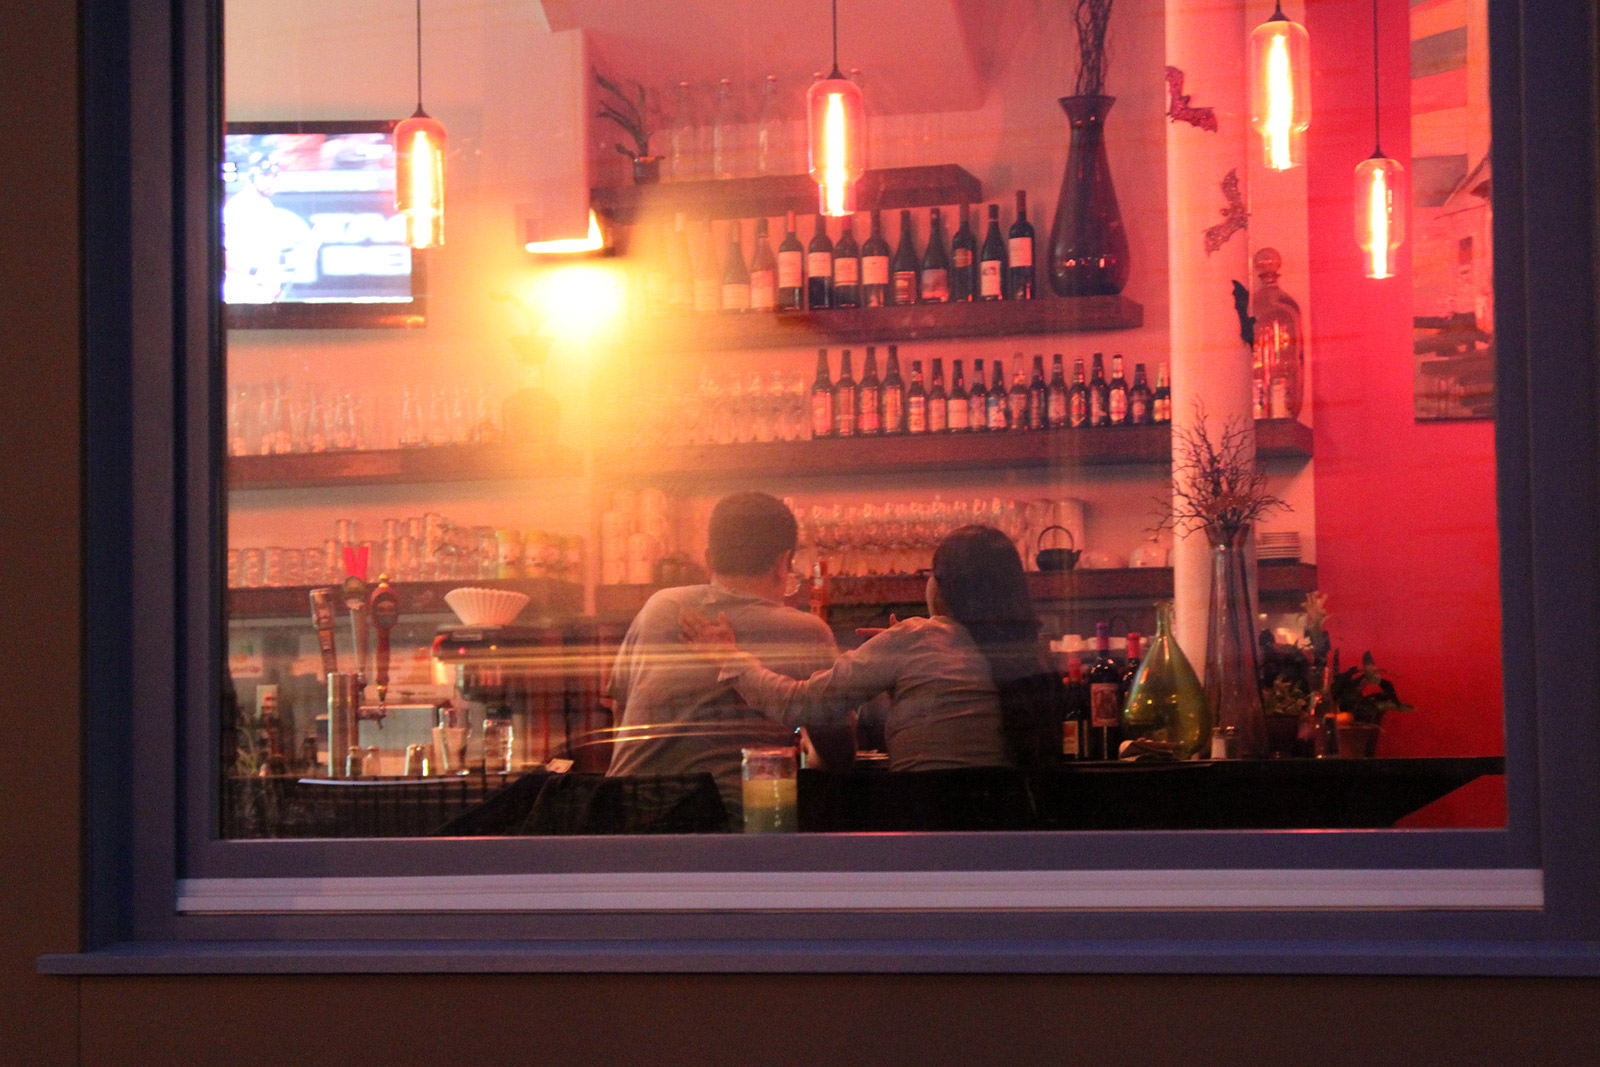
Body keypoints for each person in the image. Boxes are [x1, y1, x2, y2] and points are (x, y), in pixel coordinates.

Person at [684, 524, 1056, 772]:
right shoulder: (1032, 656)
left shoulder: (914, 638)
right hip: (1006, 845)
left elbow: (799, 704)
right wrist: (903, 671)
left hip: (925, 841)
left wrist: (728, 658)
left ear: (941, 586)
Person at [605, 492, 838, 826]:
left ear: (709, 559)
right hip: (726, 829)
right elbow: (837, 756)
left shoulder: (660, 607)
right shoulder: (806, 631)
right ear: (782, 562)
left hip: (621, 819)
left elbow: (620, 710)